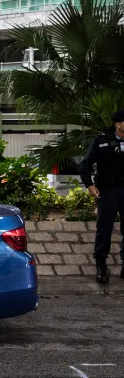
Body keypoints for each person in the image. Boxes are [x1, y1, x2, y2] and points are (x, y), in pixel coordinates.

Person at [79, 109, 124, 284]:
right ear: (118, 123)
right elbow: (86, 163)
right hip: (108, 190)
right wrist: (89, 184)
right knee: (104, 228)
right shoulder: (102, 139)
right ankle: (101, 266)